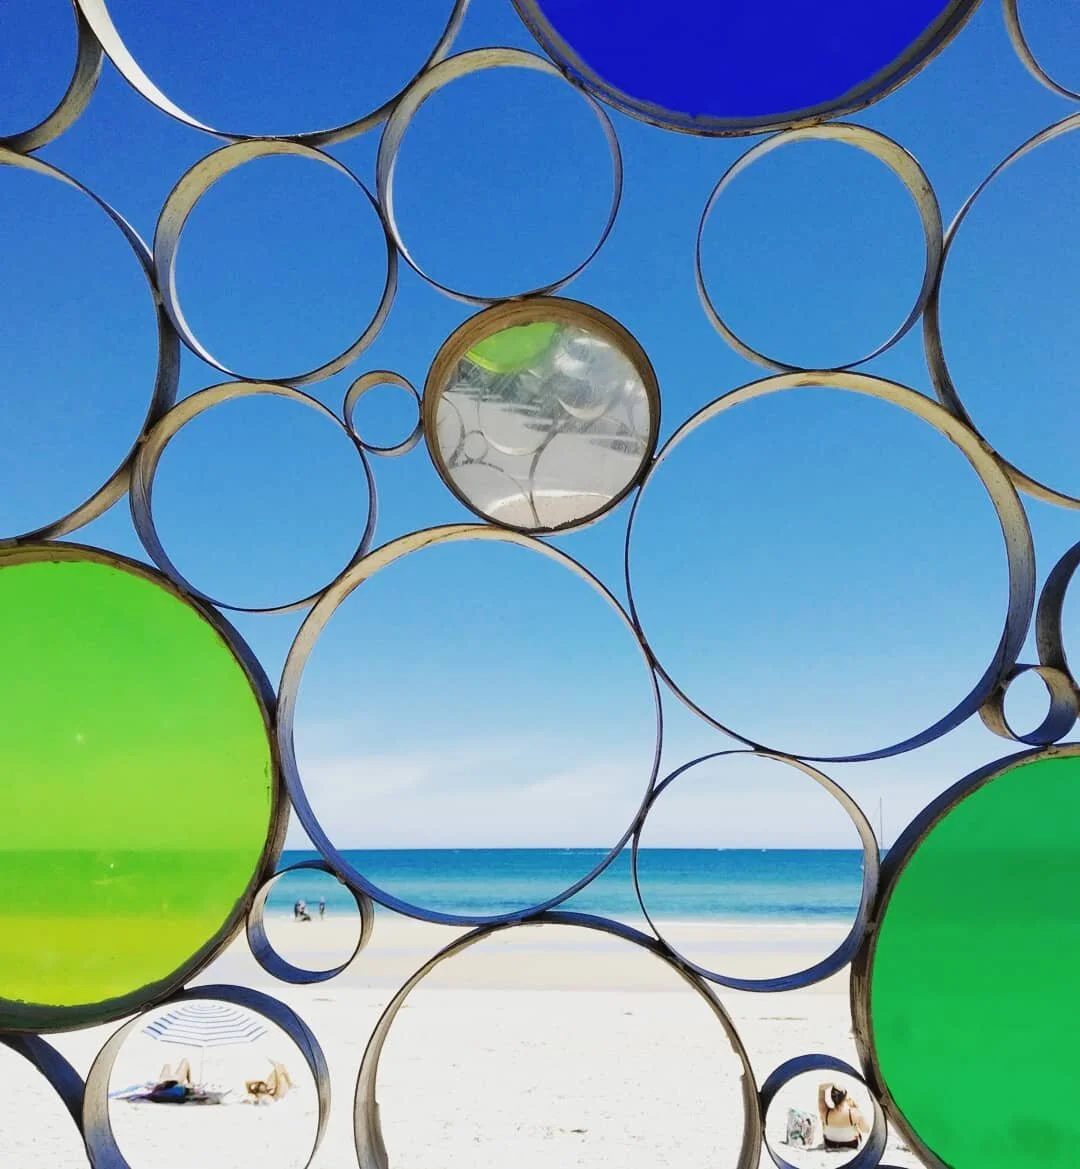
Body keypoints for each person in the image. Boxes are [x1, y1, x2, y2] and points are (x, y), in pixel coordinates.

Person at [817, 1083, 870, 1152]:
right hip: (851, 1144)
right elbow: (866, 1130)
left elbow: (821, 1087)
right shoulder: (854, 1113)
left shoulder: (824, 1112)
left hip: (830, 1144)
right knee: (856, 1127)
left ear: (832, 1098)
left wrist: (833, 1083)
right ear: (845, 1097)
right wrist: (855, 1107)